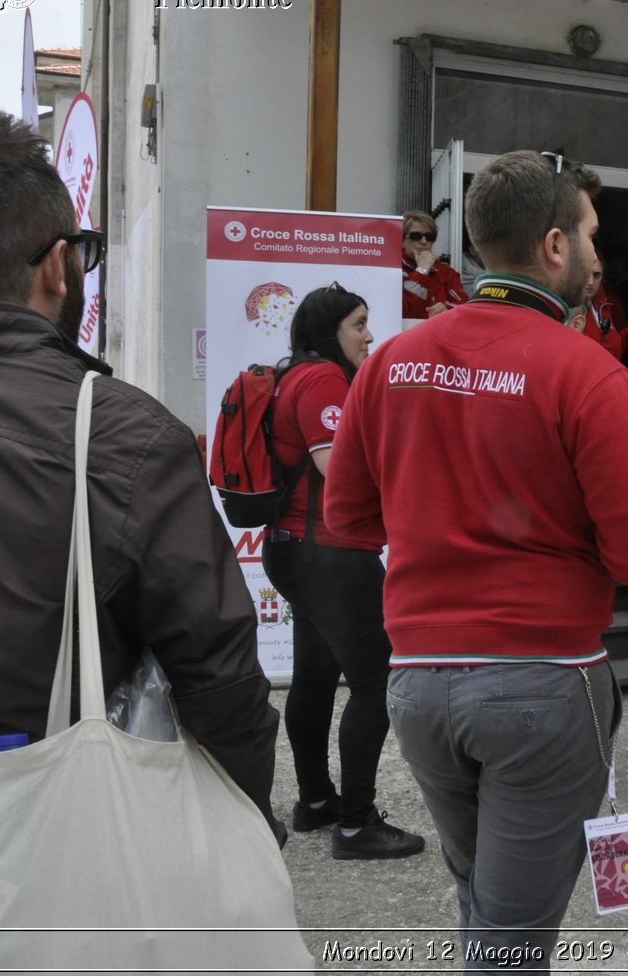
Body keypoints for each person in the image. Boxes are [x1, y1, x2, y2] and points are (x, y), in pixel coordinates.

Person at [324, 149, 628, 967]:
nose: (599, 256)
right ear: (555, 246)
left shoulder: (388, 362)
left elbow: (346, 516)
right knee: (512, 939)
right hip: (541, 682)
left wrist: (439, 510)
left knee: (484, 904)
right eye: (591, 236)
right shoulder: (588, 372)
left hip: (417, 682)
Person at [0, 107, 282, 973]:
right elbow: (219, 675)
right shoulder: (116, 436)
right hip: (37, 865)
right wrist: (242, 825)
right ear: (58, 267)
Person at [261, 285, 424, 859]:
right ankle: (355, 825)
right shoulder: (323, 381)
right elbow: (335, 466)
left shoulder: (291, 374)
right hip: (330, 554)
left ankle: (316, 801)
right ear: (330, 329)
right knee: (377, 684)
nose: (369, 336)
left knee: (313, 679)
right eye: (358, 324)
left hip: (296, 551)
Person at [399, 209, 468, 319]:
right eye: (416, 236)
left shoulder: (446, 273)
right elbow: (405, 310)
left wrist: (447, 309)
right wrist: (422, 269)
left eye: (430, 237)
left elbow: (464, 307)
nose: (424, 241)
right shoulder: (392, 268)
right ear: (401, 241)